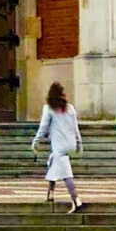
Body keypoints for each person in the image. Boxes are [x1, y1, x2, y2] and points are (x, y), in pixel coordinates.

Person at [33, 80, 87, 216]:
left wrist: (36, 141)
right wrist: (79, 142)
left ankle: (76, 200)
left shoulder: (49, 109)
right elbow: (76, 127)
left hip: (59, 144)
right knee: (53, 162)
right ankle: (50, 193)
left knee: (66, 173)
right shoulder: (70, 108)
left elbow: (43, 127)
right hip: (70, 143)